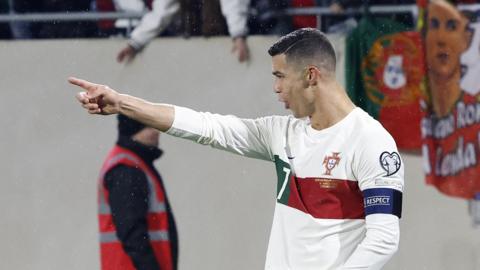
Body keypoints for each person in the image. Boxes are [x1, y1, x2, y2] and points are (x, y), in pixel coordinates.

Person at [71, 28, 403, 269]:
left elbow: (383, 238)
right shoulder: (282, 134)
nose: (275, 88)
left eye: (279, 76)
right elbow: (205, 127)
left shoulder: (370, 141)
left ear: (311, 76)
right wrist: (122, 103)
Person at [98, 114, 178, 270]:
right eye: (149, 126)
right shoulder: (127, 170)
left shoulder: (134, 164)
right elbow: (132, 231)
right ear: (133, 130)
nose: (157, 131)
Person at [115, 0, 251, 63]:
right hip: (191, 40)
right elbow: (161, 13)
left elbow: (234, 5)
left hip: (221, 39)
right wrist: (135, 42)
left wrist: (238, 35)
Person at [425, 0, 470, 117]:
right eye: (434, 25)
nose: (441, 39)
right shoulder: (405, 104)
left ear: (466, 39)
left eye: (452, 26)